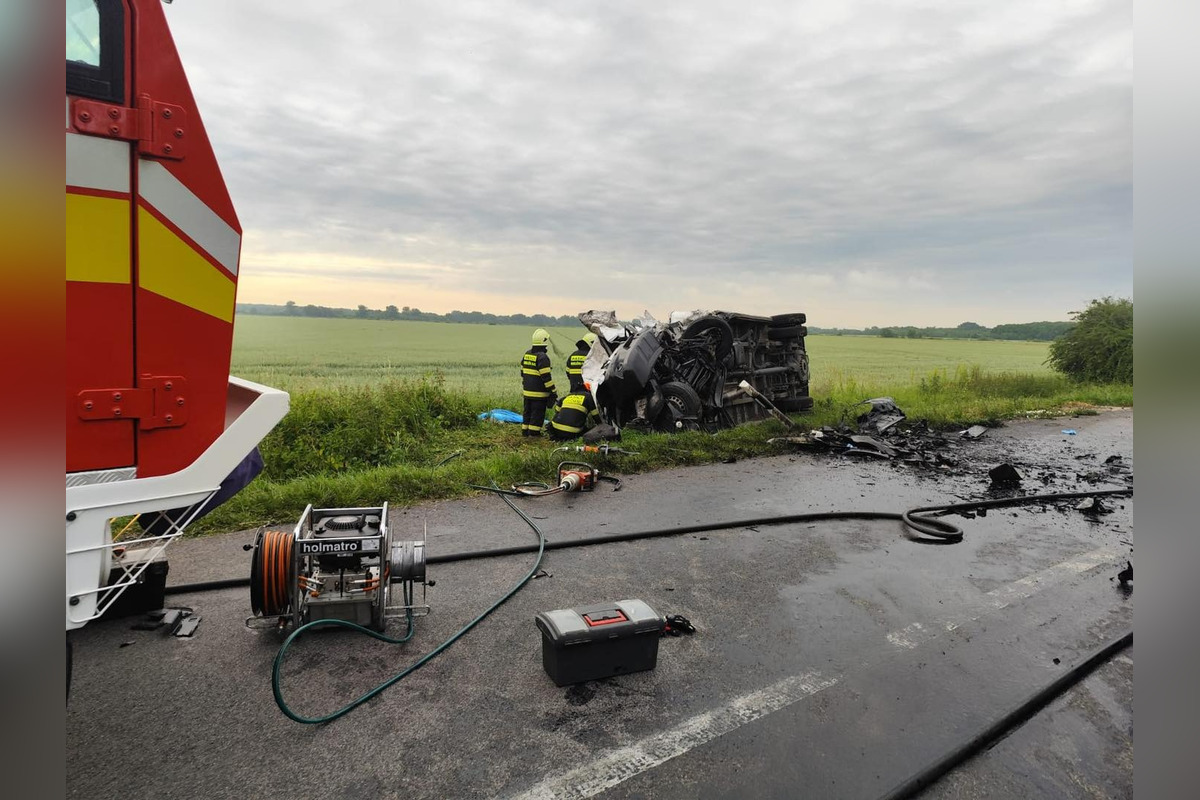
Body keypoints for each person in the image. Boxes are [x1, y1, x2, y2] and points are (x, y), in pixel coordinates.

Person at [520, 328, 557, 437]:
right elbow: (546, 377)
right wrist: (553, 391)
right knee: (537, 414)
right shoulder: (543, 357)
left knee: (527, 412)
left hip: (527, 392)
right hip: (539, 394)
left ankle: (525, 432)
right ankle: (534, 434)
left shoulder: (527, 354)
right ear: (544, 341)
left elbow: (522, 372)